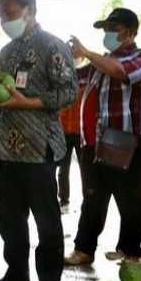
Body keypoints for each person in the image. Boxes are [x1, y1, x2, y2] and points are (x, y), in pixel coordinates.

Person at [0, 0, 77, 281]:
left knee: (46, 221)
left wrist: (30, 102)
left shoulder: (53, 46)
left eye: (8, 13)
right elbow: (1, 101)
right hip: (8, 150)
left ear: (29, 11)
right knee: (10, 219)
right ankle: (17, 277)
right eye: (0, 14)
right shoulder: (6, 53)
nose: (3, 20)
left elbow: (69, 92)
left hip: (40, 148)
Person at [65, 8, 141, 266]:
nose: (108, 35)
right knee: (92, 198)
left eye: (113, 29)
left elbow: (121, 71)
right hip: (93, 143)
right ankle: (84, 249)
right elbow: (72, 79)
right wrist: (65, 57)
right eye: (106, 30)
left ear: (131, 32)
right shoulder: (99, 62)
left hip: (126, 142)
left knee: (131, 200)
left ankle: (131, 253)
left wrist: (86, 53)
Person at [57, 67, 87, 214]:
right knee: (63, 169)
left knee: (84, 169)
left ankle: (86, 201)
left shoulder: (83, 87)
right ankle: (64, 202)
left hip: (80, 132)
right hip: (65, 133)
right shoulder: (61, 89)